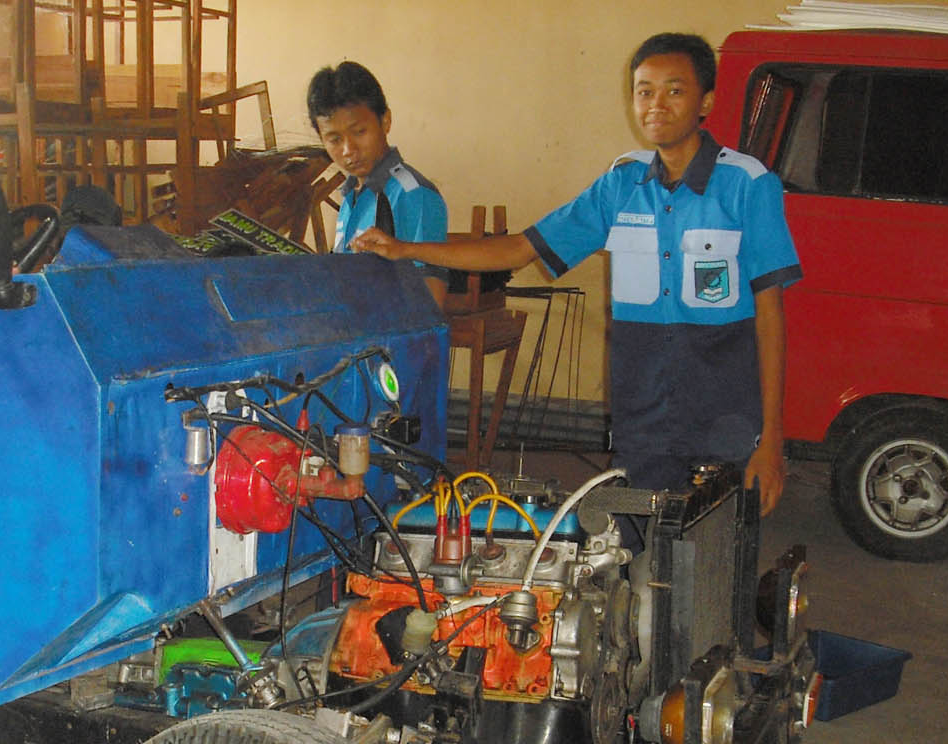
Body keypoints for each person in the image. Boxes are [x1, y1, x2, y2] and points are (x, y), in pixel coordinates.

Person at [354, 33, 800, 516]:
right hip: (643, 424)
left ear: (705, 101)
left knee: (716, 559)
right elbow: (521, 248)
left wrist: (770, 440)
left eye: (674, 90)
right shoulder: (619, 187)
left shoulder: (747, 185)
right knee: (639, 558)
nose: (656, 104)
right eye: (644, 90)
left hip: (726, 425)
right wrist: (405, 249)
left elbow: (770, 315)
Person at [308, 60, 449, 308]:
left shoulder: (413, 194)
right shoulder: (351, 196)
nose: (348, 150)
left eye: (360, 132)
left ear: (385, 121)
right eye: (334, 139)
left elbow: (430, 300)